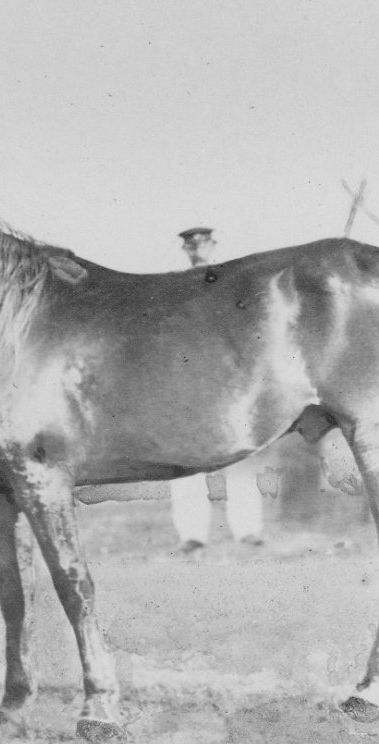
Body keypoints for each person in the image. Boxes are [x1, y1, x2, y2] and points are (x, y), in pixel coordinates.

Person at [168, 227, 266, 554]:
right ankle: (192, 535)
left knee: (239, 455)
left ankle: (249, 531)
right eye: (191, 247)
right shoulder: (176, 286)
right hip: (188, 381)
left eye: (203, 245)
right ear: (185, 250)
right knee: (185, 459)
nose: (198, 251)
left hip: (228, 382)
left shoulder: (232, 282)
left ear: (214, 246)